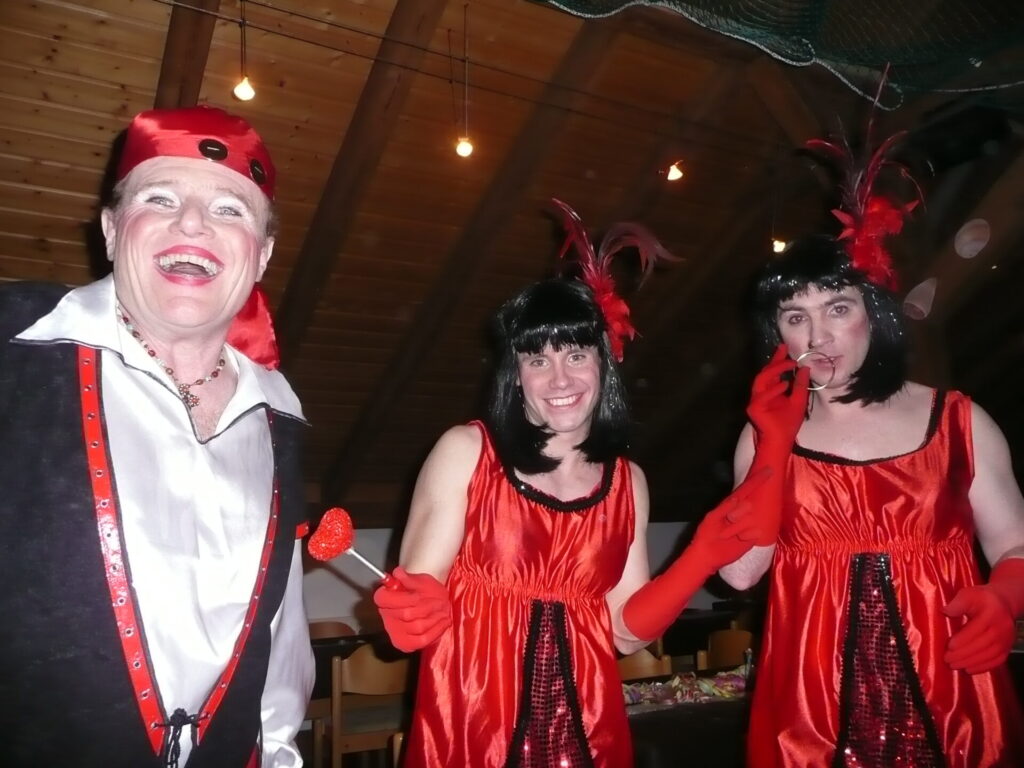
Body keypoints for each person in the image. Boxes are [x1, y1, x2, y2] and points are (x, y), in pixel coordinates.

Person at [372, 202, 808, 767]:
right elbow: (417, 598)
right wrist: (409, 611)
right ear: (516, 375)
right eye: (537, 360)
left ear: (604, 365)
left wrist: (699, 558)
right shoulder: (467, 451)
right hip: (474, 728)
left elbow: (624, 633)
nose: (559, 379)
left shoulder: (628, 482)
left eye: (576, 355)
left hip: (588, 732)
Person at [0, 106, 314, 767]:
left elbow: (280, 625)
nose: (193, 223)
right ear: (112, 230)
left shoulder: (281, 411)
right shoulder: (14, 342)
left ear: (261, 255)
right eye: (160, 198)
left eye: (229, 208)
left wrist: (280, 751)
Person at [722, 232, 1024, 767]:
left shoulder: (960, 422)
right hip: (811, 710)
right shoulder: (764, 435)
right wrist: (773, 445)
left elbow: (1015, 544)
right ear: (778, 333)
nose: (818, 335)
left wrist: (1005, 597)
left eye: (838, 308)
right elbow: (741, 573)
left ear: (874, 313)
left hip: (950, 694)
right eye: (795, 317)